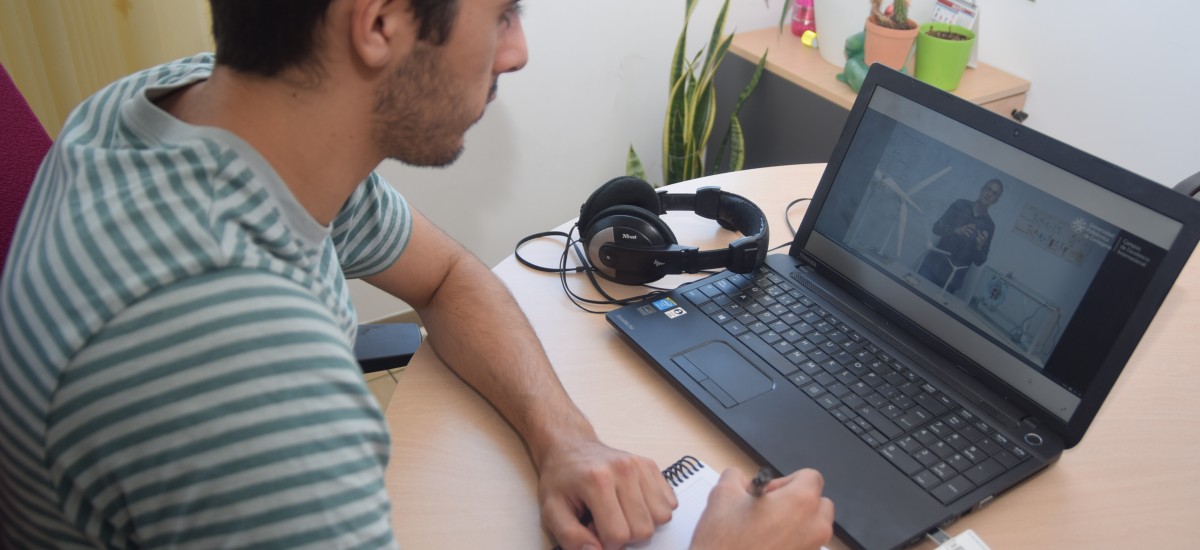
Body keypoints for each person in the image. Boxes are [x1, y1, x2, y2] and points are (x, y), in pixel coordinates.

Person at [0, 1, 833, 549]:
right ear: (381, 23)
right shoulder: (234, 364)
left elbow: (445, 278)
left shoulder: (189, 109)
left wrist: (565, 441)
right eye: (500, 12)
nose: (517, 49)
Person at [917, 178, 1004, 294]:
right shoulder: (960, 205)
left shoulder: (989, 226)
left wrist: (979, 247)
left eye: (994, 194)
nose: (989, 194)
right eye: (988, 189)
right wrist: (955, 230)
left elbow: (980, 261)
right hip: (932, 267)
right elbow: (936, 228)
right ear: (982, 189)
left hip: (952, 280)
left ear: (996, 200)